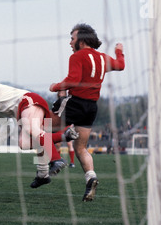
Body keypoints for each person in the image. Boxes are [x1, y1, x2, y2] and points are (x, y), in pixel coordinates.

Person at [0, 69, 78, 188]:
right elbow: (8, 124)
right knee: (24, 143)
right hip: (26, 107)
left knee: (33, 131)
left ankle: (57, 159)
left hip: (29, 101)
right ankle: (43, 174)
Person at [49, 23, 125, 201]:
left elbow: (73, 80)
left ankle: (45, 170)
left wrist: (56, 86)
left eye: (72, 39)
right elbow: (120, 65)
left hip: (75, 103)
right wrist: (119, 51)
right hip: (91, 107)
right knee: (81, 147)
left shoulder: (77, 56)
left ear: (81, 41)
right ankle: (91, 176)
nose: (70, 43)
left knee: (42, 128)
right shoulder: (102, 58)